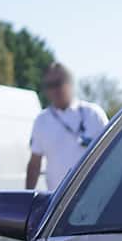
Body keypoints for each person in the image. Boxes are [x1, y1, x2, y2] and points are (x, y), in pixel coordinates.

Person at [25, 62, 107, 190]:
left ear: (70, 84)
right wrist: (27, 200)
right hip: (61, 203)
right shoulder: (42, 121)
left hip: (94, 196)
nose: (54, 90)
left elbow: (112, 155)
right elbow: (35, 164)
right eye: (49, 85)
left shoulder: (93, 114)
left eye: (57, 84)